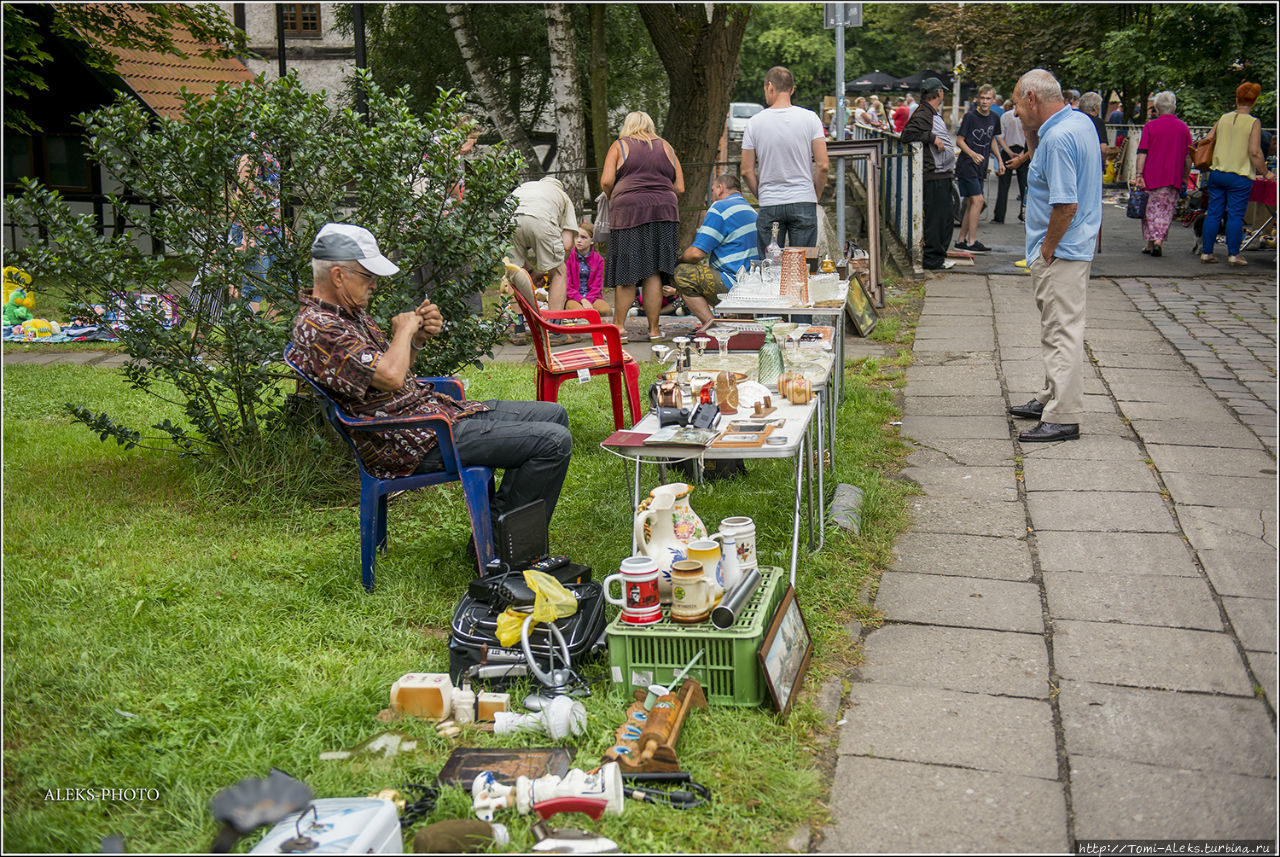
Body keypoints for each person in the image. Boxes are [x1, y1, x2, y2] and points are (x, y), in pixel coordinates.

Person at [291, 223, 573, 530]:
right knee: (553, 442)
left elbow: (393, 372)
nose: (373, 284)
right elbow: (390, 377)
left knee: (554, 415)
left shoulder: (347, 314)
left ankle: (497, 534)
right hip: (408, 441)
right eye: (368, 276)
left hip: (428, 418)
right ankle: (505, 550)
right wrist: (404, 330)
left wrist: (416, 339)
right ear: (337, 276)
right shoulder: (320, 328)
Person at [1006, 69, 1102, 443]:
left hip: (1061, 250)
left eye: (1017, 103)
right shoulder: (1078, 123)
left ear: (1032, 98)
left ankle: (1063, 415)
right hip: (1074, 246)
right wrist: (1033, 131)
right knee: (1056, 327)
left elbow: (1065, 204)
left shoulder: (1059, 138)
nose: (1014, 113)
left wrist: (1046, 249)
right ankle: (1051, 397)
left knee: (1062, 331)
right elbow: (1038, 158)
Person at [600, 110, 684, 342]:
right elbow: (680, 187)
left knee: (627, 270)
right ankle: (655, 330)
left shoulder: (620, 146)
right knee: (654, 271)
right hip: (665, 213)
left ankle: (619, 328)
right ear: (650, 125)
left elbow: (606, 181)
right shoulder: (666, 147)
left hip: (629, 212)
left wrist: (615, 196)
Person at [741, 66, 830, 255]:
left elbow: (746, 171)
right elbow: (823, 166)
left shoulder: (754, 123)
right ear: (792, 89)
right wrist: (814, 196)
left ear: (770, 87)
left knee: (769, 268)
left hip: (770, 202)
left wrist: (763, 194)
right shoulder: (810, 119)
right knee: (801, 268)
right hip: (804, 198)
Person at [1199, 82, 1275, 266]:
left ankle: (1206, 252)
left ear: (1236, 99)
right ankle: (1233, 254)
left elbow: (1208, 139)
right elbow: (1255, 152)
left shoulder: (1223, 118)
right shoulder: (1253, 122)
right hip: (1239, 175)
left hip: (1217, 173)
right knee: (1235, 215)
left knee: (1214, 213)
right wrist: (1266, 173)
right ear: (1255, 101)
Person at [672, 173, 760, 324]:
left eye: (712, 190)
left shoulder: (720, 207)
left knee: (682, 274)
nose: (711, 197)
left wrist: (678, 260)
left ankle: (712, 326)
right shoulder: (750, 210)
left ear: (720, 189)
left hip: (734, 284)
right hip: (753, 283)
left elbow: (695, 254)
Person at [899, 77, 956, 270]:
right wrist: (932, 138)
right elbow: (906, 135)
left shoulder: (927, 112)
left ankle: (937, 257)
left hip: (941, 174)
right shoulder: (924, 113)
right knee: (937, 219)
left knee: (945, 218)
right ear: (939, 93)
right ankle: (933, 260)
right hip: (935, 175)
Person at [1133, 91, 1193, 257]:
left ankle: (1153, 242)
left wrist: (1139, 173)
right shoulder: (1183, 127)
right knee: (1165, 209)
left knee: (1149, 210)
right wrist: (1185, 176)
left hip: (1151, 175)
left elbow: (1142, 152)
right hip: (1173, 175)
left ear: (1157, 109)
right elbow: (1188, 156)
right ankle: (1156, 242)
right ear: (1173, 108)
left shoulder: (1150, 126)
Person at [230, 132, 283, 314]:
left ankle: (274, 337)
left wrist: (283, 227)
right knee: (254, 288)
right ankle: (254, 337)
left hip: (273, 229)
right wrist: (247, 235)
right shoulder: (250, 154)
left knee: (286, 285)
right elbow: (243, 195)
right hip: (254, 230)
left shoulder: (271, 147)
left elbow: (274, 195)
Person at [511, 175, 578, 312]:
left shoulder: (525, 187)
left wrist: (531, 272)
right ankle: (555, 327)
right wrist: (552, 271)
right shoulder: (563, 196)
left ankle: (519, 326)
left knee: (513, 270)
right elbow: (566, 244)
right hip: (540, 221)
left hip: (509, 220)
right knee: (560, 272)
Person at [954, 84, 1004, 253]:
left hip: (981, 166)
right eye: (982, 98)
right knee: (978, 201)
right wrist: (972, 154)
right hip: (967, 164)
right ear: (977, 99)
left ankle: (961, 240)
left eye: (988, 98)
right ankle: (971, 241)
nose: (984, 101)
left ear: (993, 100)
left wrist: (1000, 160)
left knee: (971, 203)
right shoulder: (970, 117)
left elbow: (991, 140)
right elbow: (959, 140)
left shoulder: (995, 118)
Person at [994, 98, 1030, 223]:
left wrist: (1008, 151)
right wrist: (1021, 155)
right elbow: (1029, 138)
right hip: (1023, 152)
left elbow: (1000, 137)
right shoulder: (1027, 117)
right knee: (1024, 185)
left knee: (1003, 185)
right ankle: (1024, 215)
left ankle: (999, 216)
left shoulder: (1005, 116)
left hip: (1007, 151)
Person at [565, 219, 610, 319]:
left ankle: (597, 331)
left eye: (583, 237)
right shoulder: (568, 257)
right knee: (580, 312)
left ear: (592, 241)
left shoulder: (599, 260)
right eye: (576, 236)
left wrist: (588, 300)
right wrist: (582, 300)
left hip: (592, 297)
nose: (579, 240)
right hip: (573, 297)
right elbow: (567, 286)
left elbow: (597, 287)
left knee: (606, 311)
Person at [1076, 92, 1110, 163]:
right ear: (1095, 108)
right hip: (1091, 162)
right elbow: (1103, 149)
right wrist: (1103, 162)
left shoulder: (1074, 119)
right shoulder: (1098, 122)